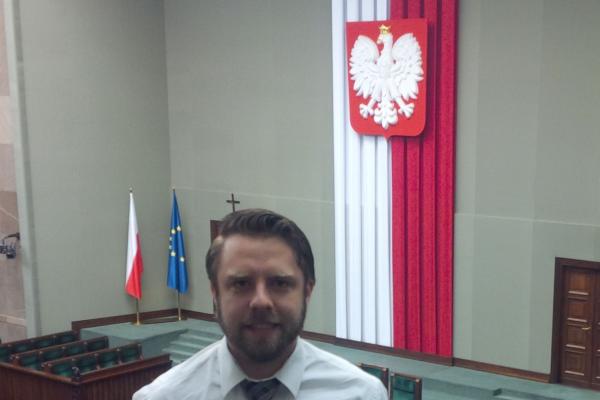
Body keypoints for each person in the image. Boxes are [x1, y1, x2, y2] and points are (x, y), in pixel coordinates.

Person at [133, 209, 388, 400]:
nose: (261, 302)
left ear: (307, 291)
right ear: (215, 293)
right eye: (241, 283)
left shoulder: (361, 394)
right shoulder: (162, 397)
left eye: (279, 283)